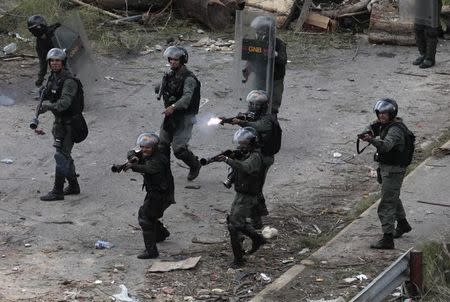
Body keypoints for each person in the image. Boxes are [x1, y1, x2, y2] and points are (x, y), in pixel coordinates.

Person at [359, 98, 414, 249]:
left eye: (385, 113)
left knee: (387, 203)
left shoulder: (395, 130)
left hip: (394, 170)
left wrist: (371, 140)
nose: (381, 116)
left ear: (392, 113)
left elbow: (385, 146)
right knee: (392, 197)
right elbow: (372, 126)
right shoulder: (386, 124)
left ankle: (387, 239)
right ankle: (402, 224)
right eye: (379, 113)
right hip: (387, 168)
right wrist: (368, 132)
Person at [217, 127, 267, 267]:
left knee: (234, 225)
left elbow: (245, 167)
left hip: (248, 195)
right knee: (234, 221)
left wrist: (228, 160)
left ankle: (239, 260)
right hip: (242, 193)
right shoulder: (249, 153)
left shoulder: (255, 157)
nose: (241, 146)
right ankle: (257, 239)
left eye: (244, 144)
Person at [38, 48, 83, 201]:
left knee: (61, 156)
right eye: (52, 61)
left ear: (63, 62)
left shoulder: (69, 81)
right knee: (64, 156)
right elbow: (51, 95)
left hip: (71, 124)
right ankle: (74, 185)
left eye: (57, 61)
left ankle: (57, 191)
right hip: (59, 123)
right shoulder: (53, 77)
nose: (54, 63)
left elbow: (64, 103)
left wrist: (48, 106)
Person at [227, 90, 277, 229]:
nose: (250, 106)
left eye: (253, 104)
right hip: (254, 154)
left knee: (254, 188)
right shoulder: (256, 115)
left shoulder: (268, 119)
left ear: (260, 105)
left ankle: (254, 221)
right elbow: (248, 121)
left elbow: (256, 126)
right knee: (252, 188)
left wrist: (242, 123)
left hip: (262, 158)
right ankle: (256, 221)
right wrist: (230, 120)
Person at [123, 132, 175, 259]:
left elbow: (148, 169)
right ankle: (161, 234)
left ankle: (151, 251)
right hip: (155, 192)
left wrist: (132, 166)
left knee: (145, 218)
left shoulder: (158, 159)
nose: (144, 150)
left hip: (161, 194)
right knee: (150, 215)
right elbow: (132, 152)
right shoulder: (146, 152)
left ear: (154, 148)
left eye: (147, 148)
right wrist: (133, 157)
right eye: (142, 147)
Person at [157, 46, 201, 181]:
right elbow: (164, 88)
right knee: (162, 144)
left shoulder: (189, 79)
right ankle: (164, 171)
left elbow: (187, 98)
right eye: (170, 59)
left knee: (179, 149)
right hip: (171, 116)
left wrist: (173, 106)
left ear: (182, 60)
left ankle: (195, 164)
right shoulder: (170, 75)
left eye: (176, 59)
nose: (172, 62)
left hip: (185, 117)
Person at [246, 15, 287, 114]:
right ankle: (253, 124)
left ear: (270, 32)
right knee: (254, 103)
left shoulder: (278, 43)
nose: (259, 34)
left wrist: (275, 54)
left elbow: (283, 60)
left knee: (272, 107)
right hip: (260, 77)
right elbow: (251, 58)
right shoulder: (254, 42)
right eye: (257, 31)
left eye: (263, 31)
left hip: (275, 80)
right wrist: (247, 70)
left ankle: (271, 125)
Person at [27, 15, 61, 87]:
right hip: (54, 61)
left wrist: (58, 25)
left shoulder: (52, 30)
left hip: (63, 53)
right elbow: (44, 60)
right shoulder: (40, 44)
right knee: (44, 67)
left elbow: (55, 27)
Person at [412, 0, 442, 69]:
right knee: (418, 28)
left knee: (431, 30)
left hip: (433, 3)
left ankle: (430, 58)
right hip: (420, 3)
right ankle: (424, 54)